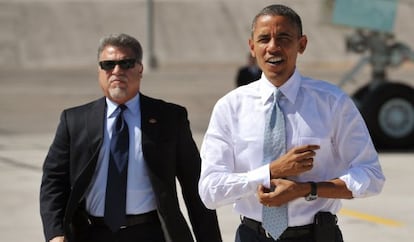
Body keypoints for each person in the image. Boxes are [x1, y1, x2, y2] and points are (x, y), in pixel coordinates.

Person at [198, 4, 385, 242]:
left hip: (316, 235)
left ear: (302, 44)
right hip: (253, 236)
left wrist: (308, 189)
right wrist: (270, 172)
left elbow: (371, 176)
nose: (273, 47)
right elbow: (210, 191)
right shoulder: (230, 108)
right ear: (252, 47)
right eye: (264, 39)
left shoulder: (332, 102)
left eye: (284, 38)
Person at [40, 33, 222, 242]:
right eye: (108, 65)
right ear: (99, 71)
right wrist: (55, 233)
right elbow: (53, 181)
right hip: (91, 233)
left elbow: (195, 187)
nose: (117, 71)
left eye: (126, 63)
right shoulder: (74, 121)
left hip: (151, 234)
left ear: (140, 69)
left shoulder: (170, 118)